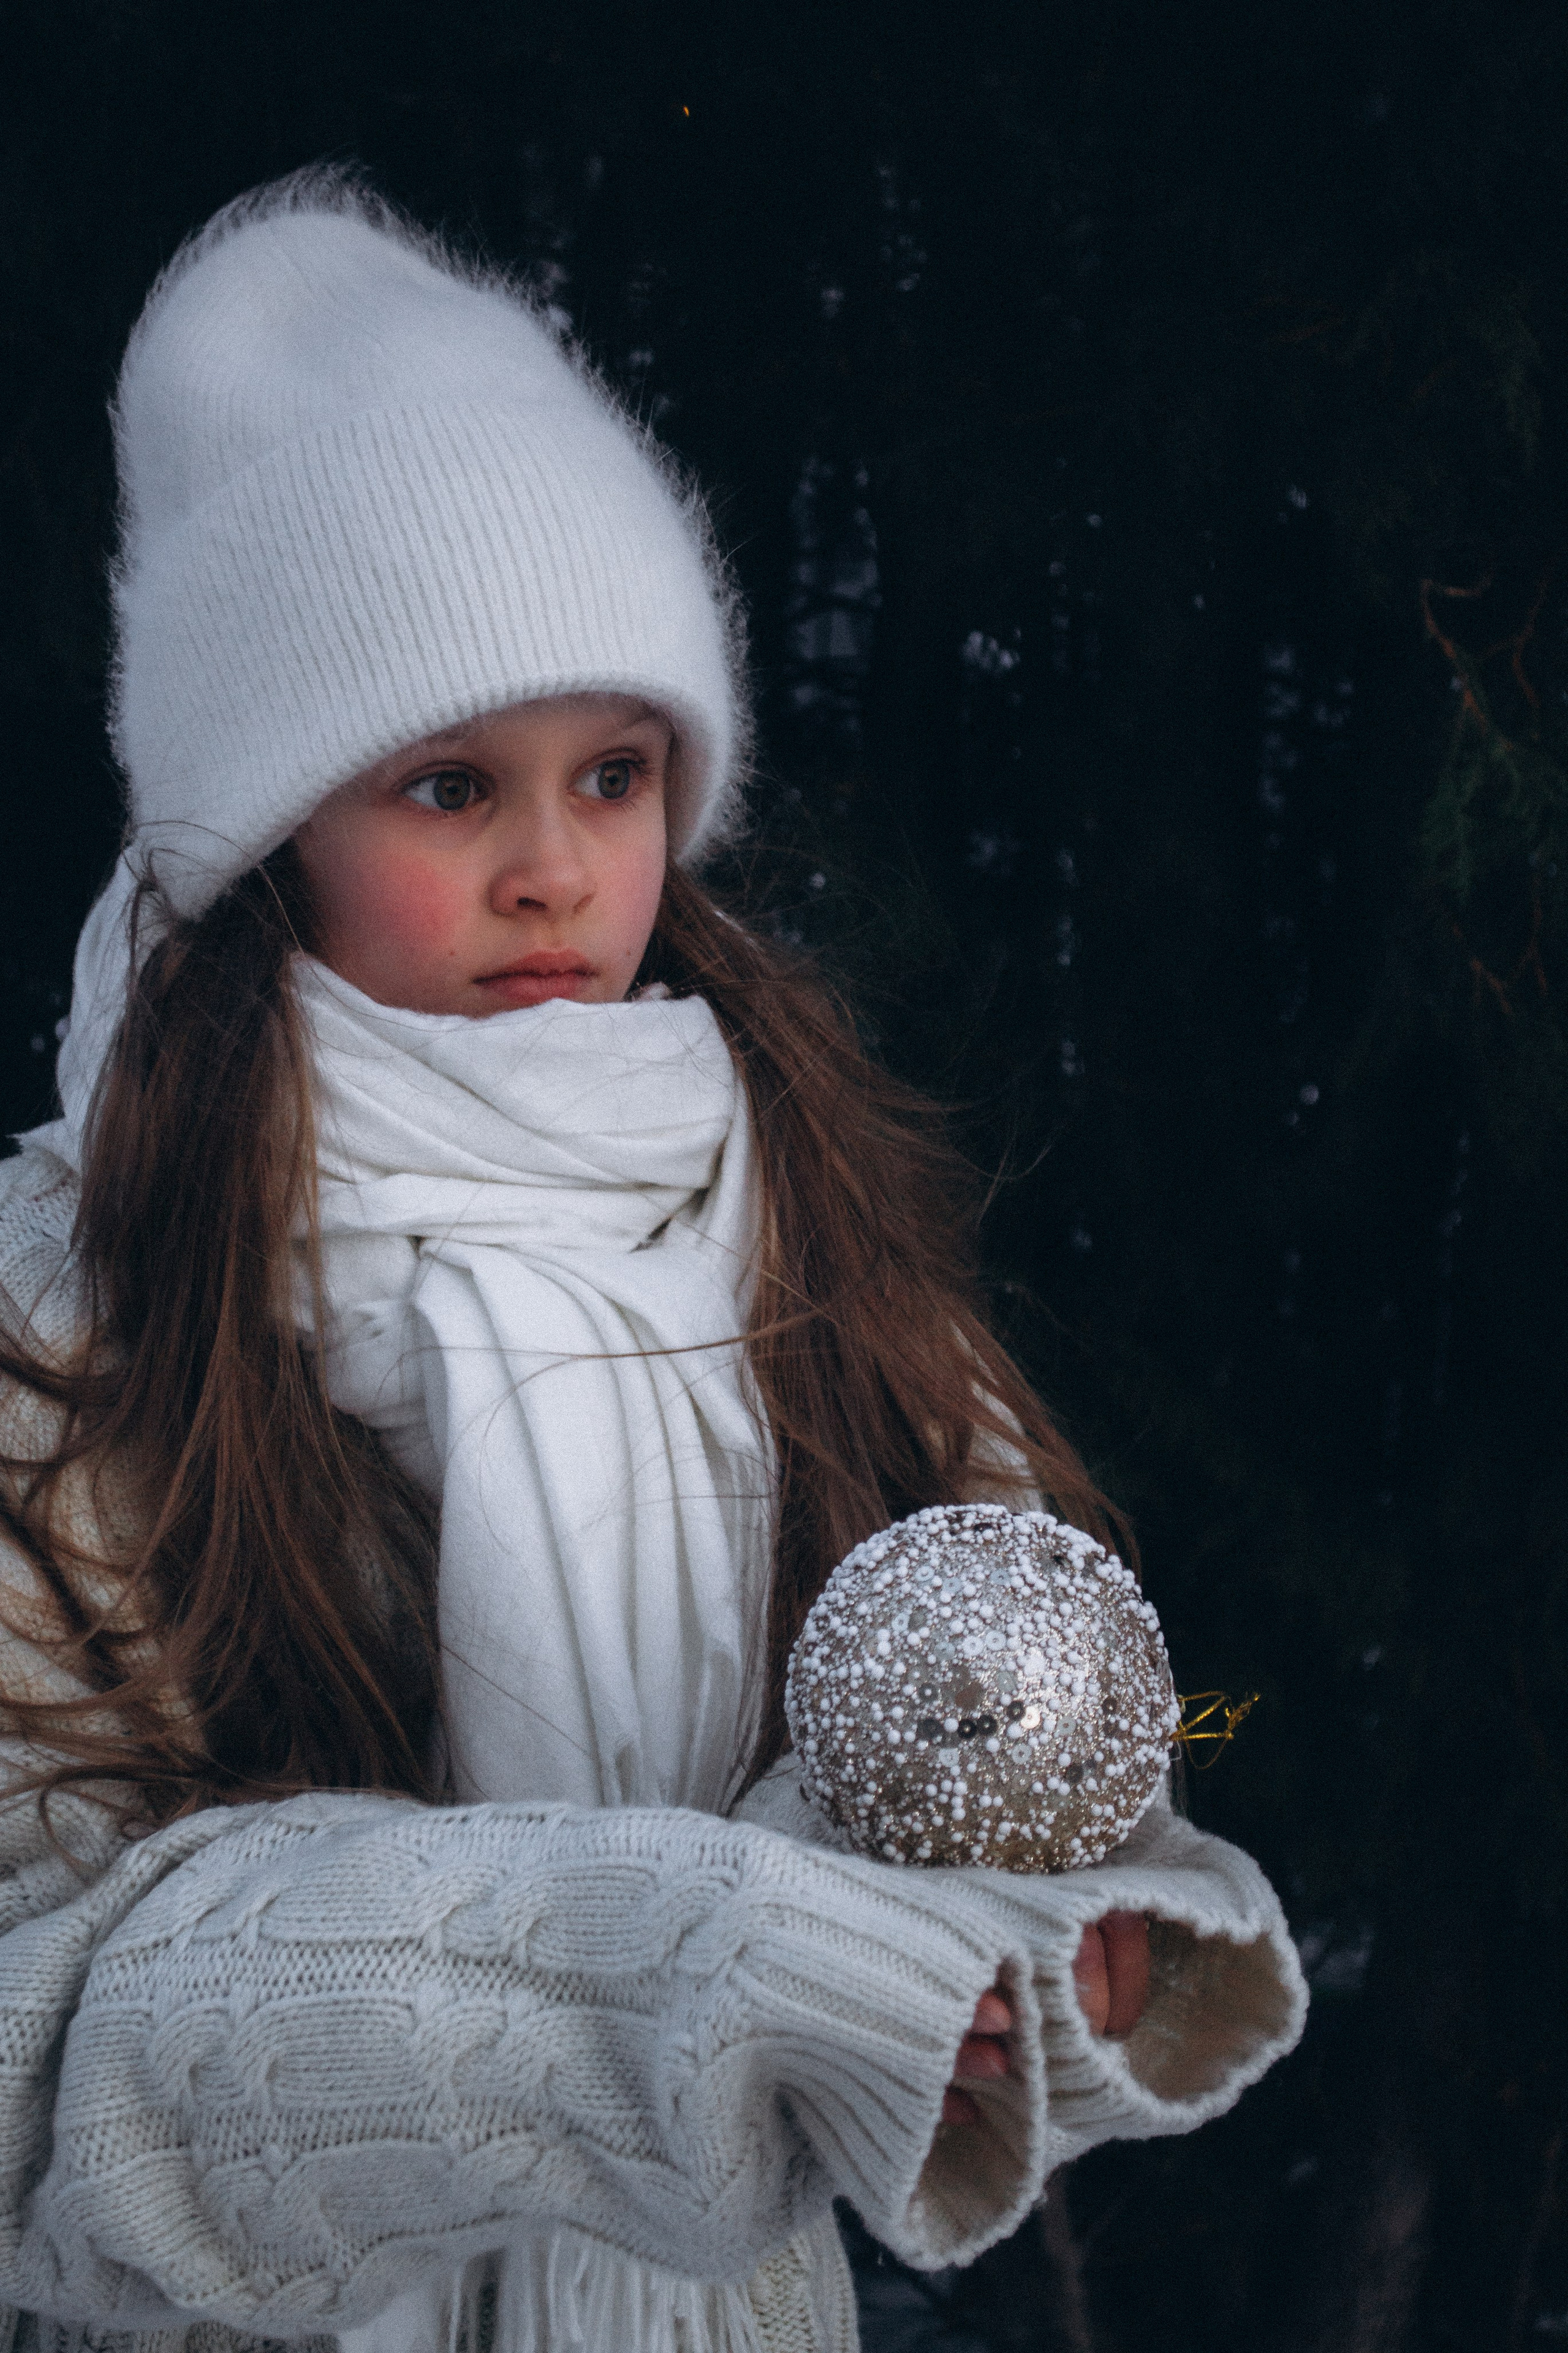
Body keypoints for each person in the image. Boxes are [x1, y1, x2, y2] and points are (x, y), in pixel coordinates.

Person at [0, 172, 1306, 2353]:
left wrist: (1036, 1935)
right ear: (262, 832)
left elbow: (1040, 1712)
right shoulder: (73, 1306)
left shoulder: (795, 1234)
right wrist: (644, 1977)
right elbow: (36, 2055)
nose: (551, 870)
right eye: (446, 785)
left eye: (613, 774)